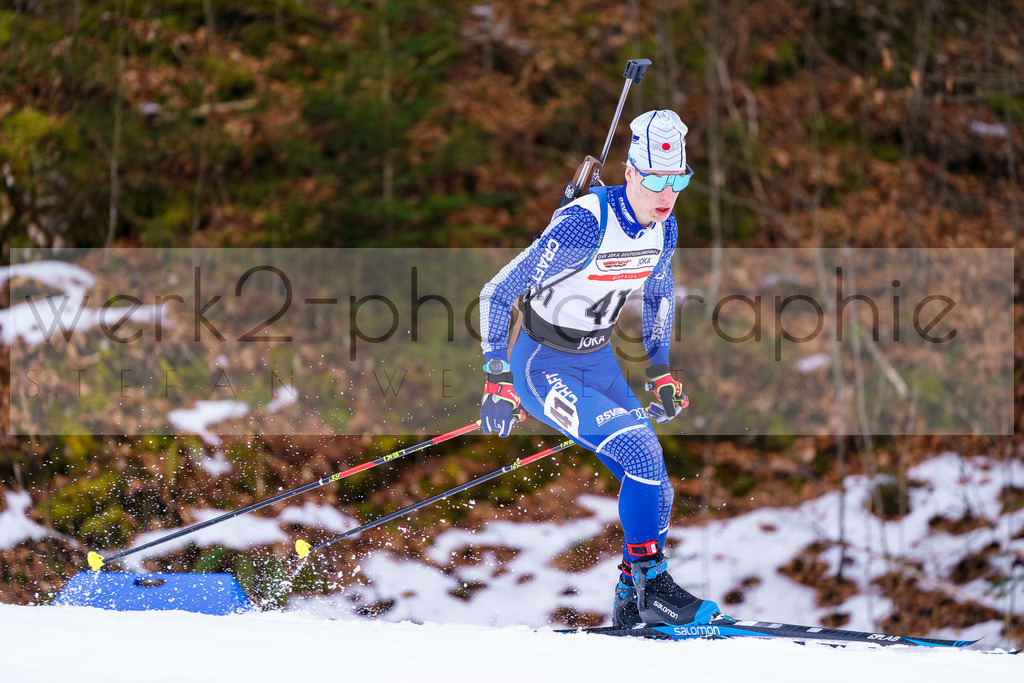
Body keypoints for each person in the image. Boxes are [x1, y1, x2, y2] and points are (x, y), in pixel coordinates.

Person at [477, 110, 720, 628]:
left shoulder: (664, 227)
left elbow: (657, 296)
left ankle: (630, 597)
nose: (667, 193)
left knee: (656, 480)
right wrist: (496, 376)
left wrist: (659, 369)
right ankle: (653, 585)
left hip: (599, 360)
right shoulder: (582, 226)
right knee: (640, 450)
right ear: (630, 172)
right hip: (544, 365)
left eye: (678, 180)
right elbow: (498, 291)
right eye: (655, 179)